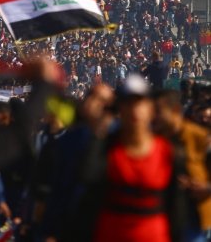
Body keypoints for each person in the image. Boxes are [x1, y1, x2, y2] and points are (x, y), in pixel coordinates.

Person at [76, 74, 183, 242]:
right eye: (127, 103)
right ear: (119, 109)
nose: (134, 109)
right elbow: (88, 179)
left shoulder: (167, 151)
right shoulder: (108, 149)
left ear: (150, 108)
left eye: (139, 102)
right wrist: (99, 129)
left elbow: (176, 209)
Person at [154, 89, 211, 241]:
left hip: (194, 222)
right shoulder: (153, 139)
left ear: (175, 111)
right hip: (162, 219)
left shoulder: (199, 137)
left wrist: (206, 188)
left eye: (159, 111)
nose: (155, 117)